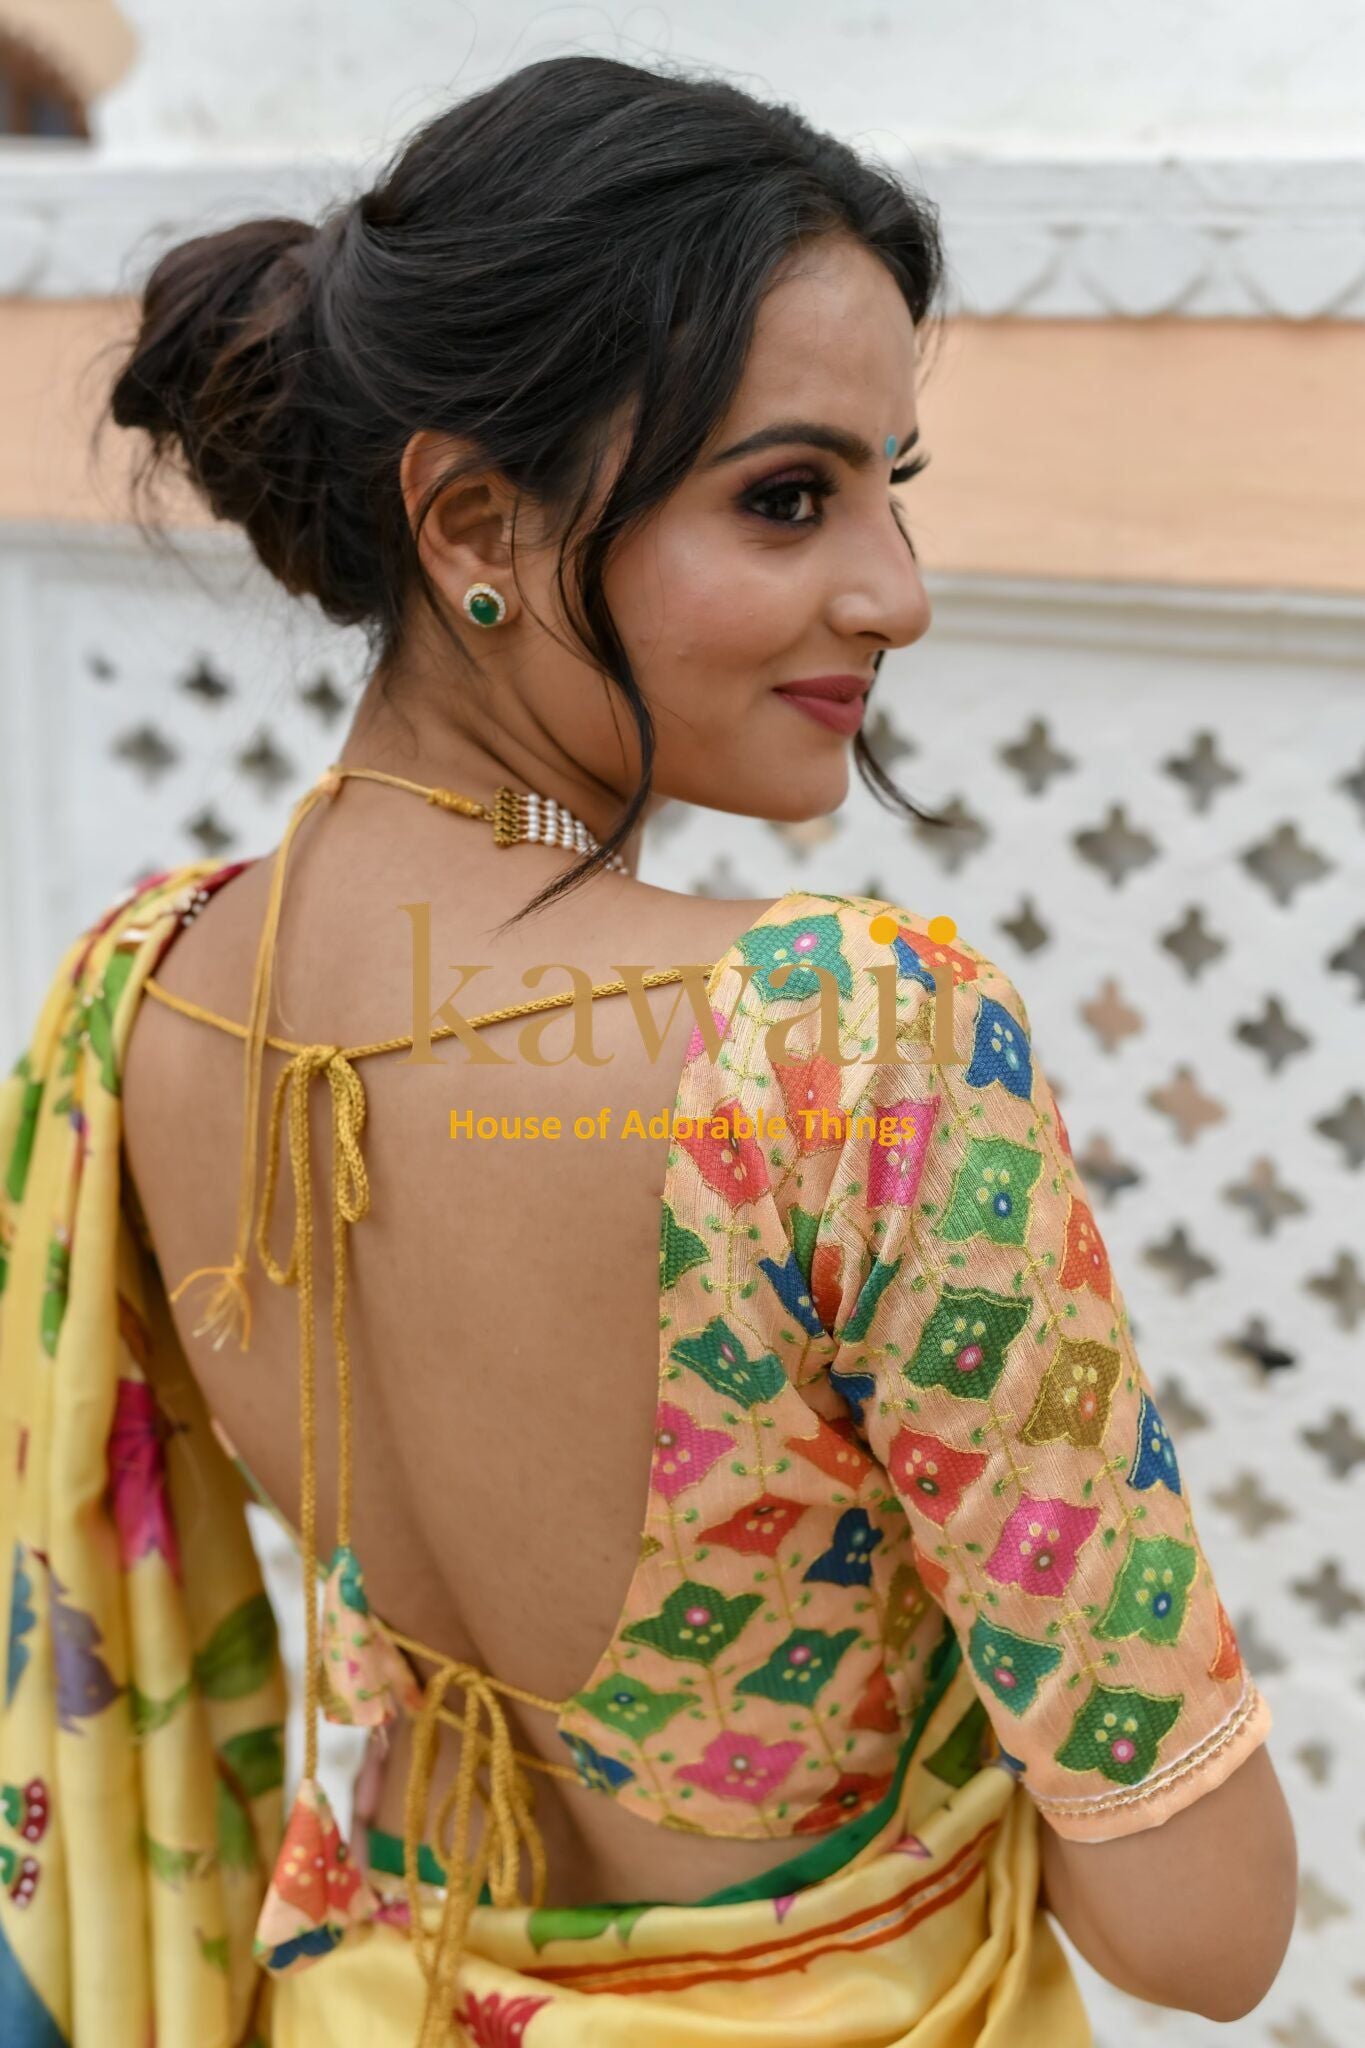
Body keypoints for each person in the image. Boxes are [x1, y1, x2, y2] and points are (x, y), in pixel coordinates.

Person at [0, 51, 1296, 2048]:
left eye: (890, 487)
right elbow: (1198, 1930)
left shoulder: (133, 1003)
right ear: (470, 519)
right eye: (786, 496)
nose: (897, 592)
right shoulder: (846, 1051)